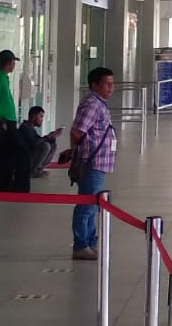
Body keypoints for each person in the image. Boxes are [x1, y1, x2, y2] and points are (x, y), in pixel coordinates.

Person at [68, 67, 117, 260]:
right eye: (107, 84)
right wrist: (78, 153)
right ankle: (81, 244)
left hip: (99, 162)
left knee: (93, 204)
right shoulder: (92, 104)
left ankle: (90, 241)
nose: (111, 87)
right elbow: (77, 131)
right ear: (95, 85)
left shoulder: (100, 103)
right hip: (92, 161)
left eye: (112, 84)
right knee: (87, 204)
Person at [0, 50, 28, 193]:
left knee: (8, 154)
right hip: (5, 121)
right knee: (22, 152)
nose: (14, 65)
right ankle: (18, 186)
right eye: (13, 62)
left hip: (10, 120)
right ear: (8, 63)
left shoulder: (4, 78)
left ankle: (6, 184)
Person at [19, 105, 62, 178]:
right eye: (41, 116)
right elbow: (34, 143)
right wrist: (48, 136)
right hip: (24, 160)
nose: (42, 119)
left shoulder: (31, 128)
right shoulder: (24, 128)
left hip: (30, 157)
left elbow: (39, 139)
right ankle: (32, 171)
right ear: (33, 116)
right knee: (45, 146)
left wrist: (52, 137)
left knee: (53, 145)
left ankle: (38, 169)